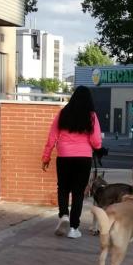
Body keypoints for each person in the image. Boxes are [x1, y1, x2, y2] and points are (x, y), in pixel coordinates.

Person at [42, 86, 103, 238]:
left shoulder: (63, 113)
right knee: (78, 193)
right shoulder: (91, 116)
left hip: (64, 156)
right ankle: (74, 228)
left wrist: (46, 157)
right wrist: (98, 148)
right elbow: (95, 141)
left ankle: (64, 215)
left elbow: (52, 136)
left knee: (62, 188)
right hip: (83, 158)